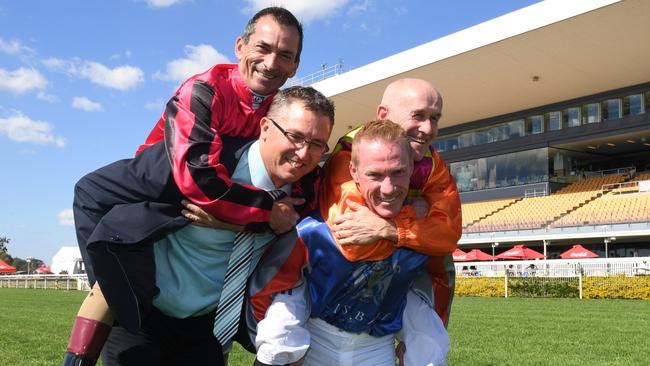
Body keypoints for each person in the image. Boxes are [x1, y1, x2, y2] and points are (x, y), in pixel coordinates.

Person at [61, 7, 308, 366]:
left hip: (212, 176)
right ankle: (115, 295)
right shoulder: (203, 88)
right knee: (89, 191)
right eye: (263, 48)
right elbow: (198, 181)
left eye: (285, 55)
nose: (272, 62)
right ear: (240, 46)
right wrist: (265, 212)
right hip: (165, 173)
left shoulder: (281, 109)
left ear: (296, 65)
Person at [252, 120, 449, 365]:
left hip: (377, 346)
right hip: (316, 340)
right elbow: (271, 290)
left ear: (411, 168)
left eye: (398, 171)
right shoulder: (315, 231)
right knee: (278, 333)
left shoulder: (425, 231)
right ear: (353, 171)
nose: (388, 189)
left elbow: (437, 287)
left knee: (432, 344)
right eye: (374, 175)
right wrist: (278, 345)